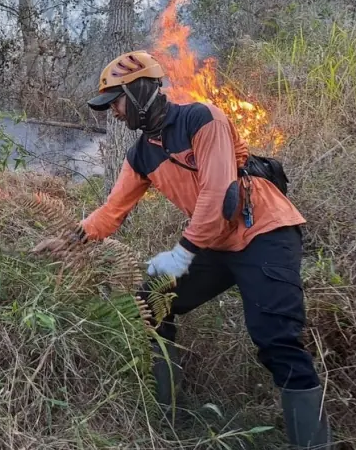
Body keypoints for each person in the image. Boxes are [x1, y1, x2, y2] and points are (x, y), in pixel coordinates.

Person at [33, 50, 332, 449]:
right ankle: (170, 420)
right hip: (213, 242)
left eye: (117, 102)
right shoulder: (140, 154)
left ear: (140, 92)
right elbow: (112, 210)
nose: (114, 113)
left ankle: (313, 444)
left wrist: (182, 253)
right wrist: (72, 240)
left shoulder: (202, 119)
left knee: (275, 338)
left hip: (264, 231)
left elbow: (219, 193)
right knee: (149, 305)